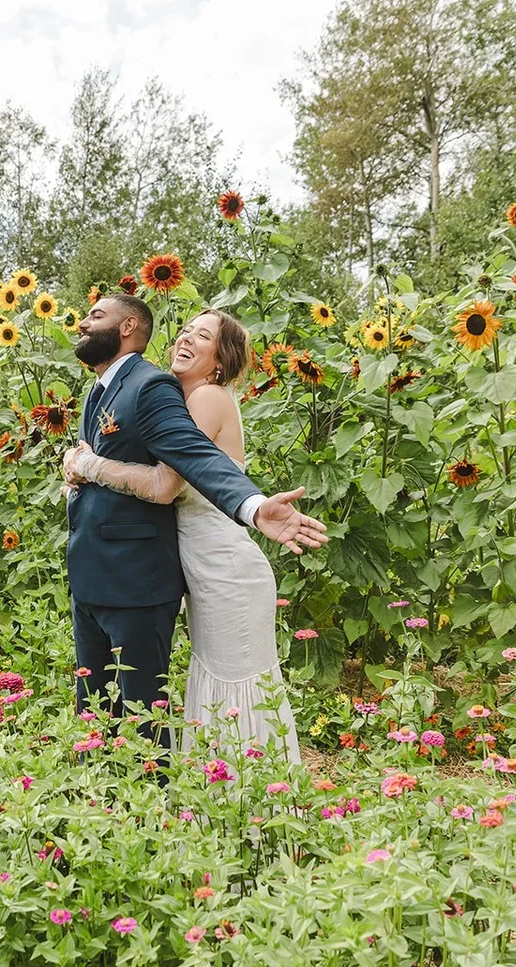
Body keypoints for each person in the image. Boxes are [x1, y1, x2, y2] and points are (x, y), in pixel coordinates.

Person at [60, 294, 326, 752]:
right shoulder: (129, 391)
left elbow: (183, 470)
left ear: (220, 360)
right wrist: (75, 471)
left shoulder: (192, 394)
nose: (186, 337)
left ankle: (254, 798)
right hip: (179, 566)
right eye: (186, 330)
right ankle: (210, 795)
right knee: (203, 685)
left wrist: (254, 505)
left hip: (219, 564)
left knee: (233, 688)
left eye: (203, 336)